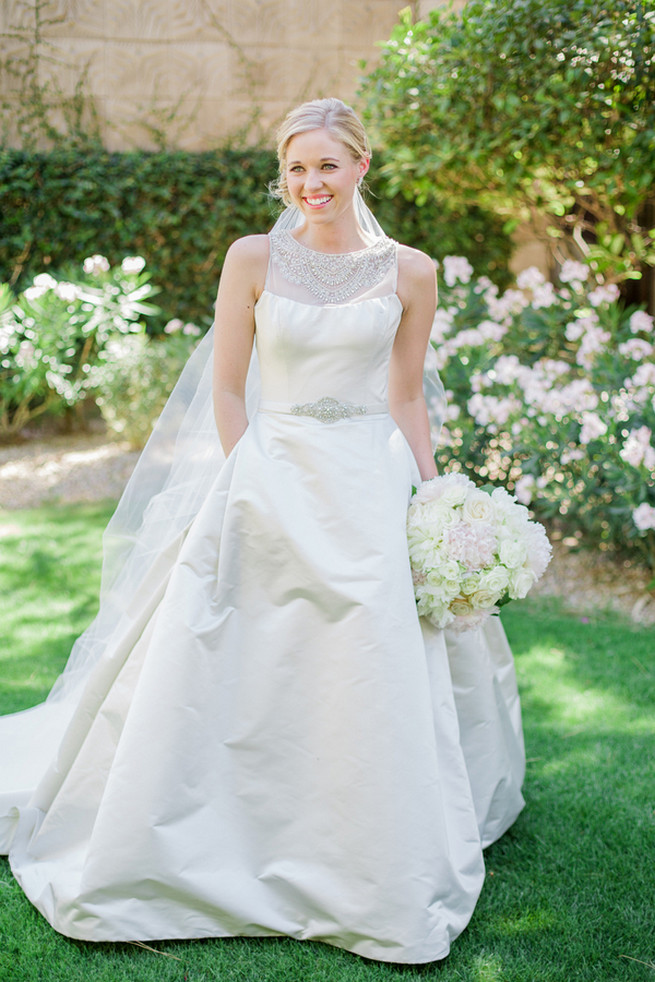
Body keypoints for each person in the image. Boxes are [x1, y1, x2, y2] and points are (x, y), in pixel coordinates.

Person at [0, 98, 525, 963]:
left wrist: (438, 501)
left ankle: (364, 844)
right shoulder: (252, 258)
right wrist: (252, 472)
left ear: (362, 165)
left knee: (366, 652)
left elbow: (402, 396)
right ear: (281, 177)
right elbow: (231, 388)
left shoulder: (411, 272)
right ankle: (216, 824)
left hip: (366, 477)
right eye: (294, 168)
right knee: (233, 647)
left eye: (326, 165)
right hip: (266, 470)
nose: (309, 183)